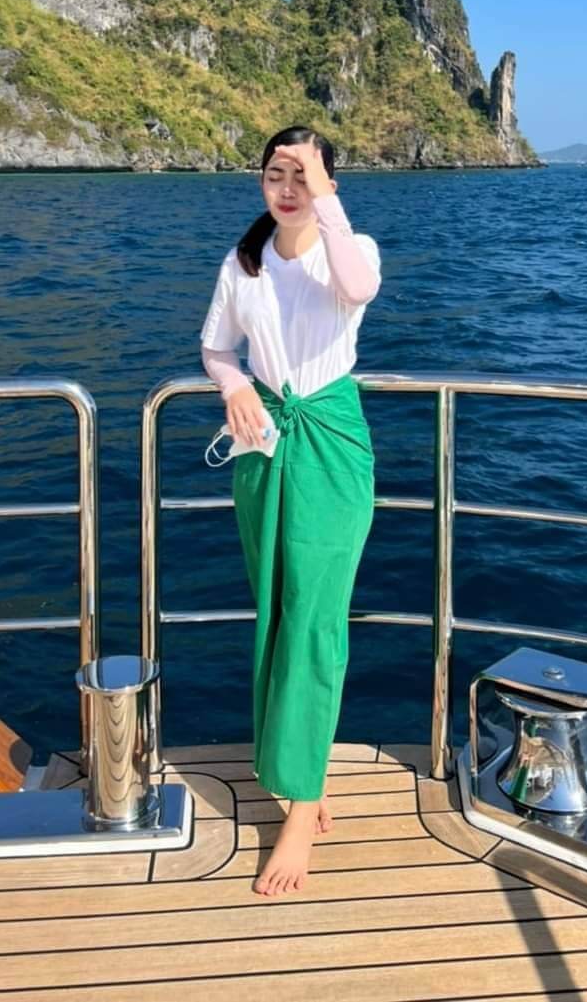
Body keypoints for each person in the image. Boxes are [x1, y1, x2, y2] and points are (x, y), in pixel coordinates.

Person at [200, 125, 381, 896]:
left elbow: (358, 289)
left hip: (332, 445)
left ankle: (301, 807)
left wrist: (326, 199)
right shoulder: (241, 264)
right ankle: (302, 770)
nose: (287, 187)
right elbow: (216, 348)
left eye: (302, 174)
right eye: (276, 172)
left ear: (328, 184)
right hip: (263, 445)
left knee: (315, 618)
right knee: (276, 612)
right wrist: (235, 385)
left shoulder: (351, 248)